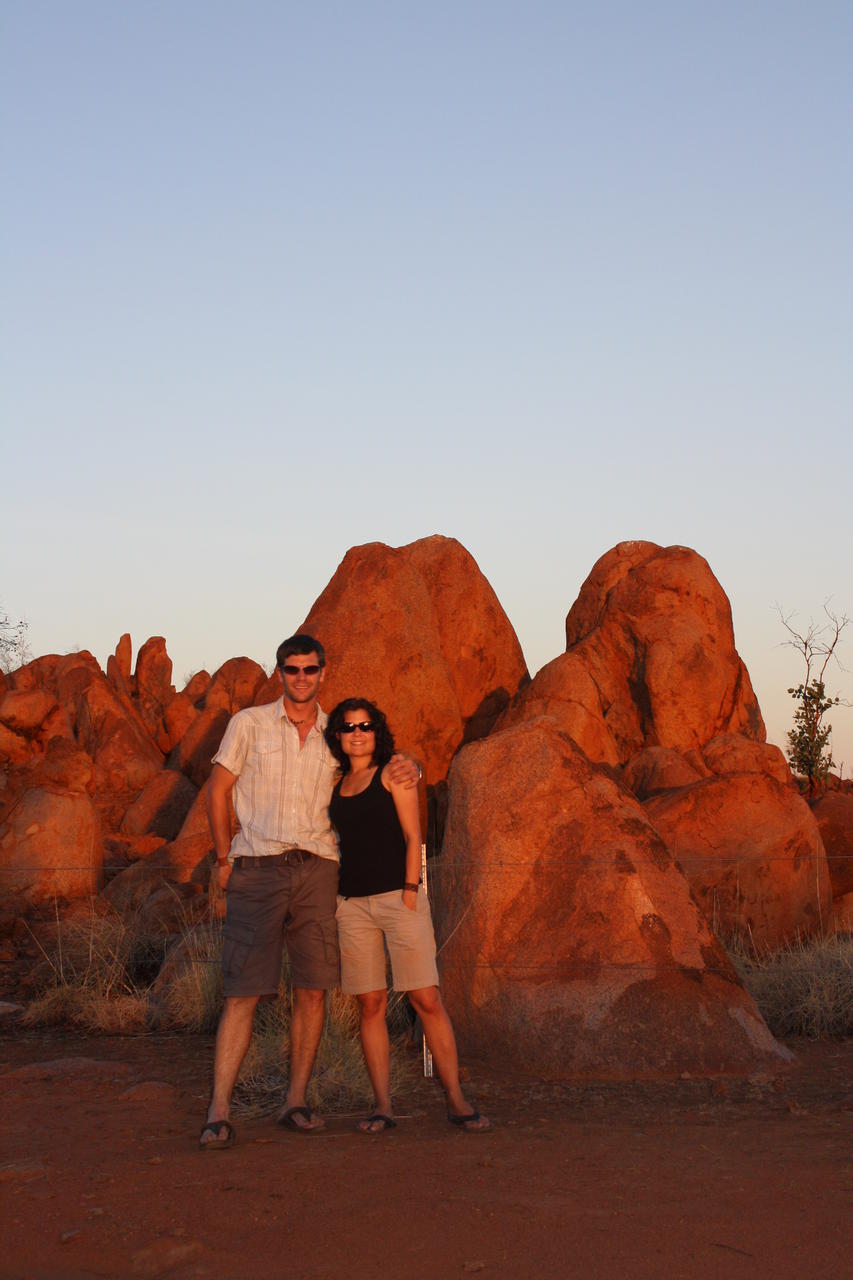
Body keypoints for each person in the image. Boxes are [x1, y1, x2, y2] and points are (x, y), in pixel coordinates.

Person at [199, 635, 420, 1149]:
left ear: (323, 672)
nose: (301, 677)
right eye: (292, 669)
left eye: (310, 669)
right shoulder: (249, 724)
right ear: (279, 672)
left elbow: (378, 762)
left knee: (313, 989)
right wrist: (222, 859)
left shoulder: (335, 734)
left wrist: (411, 765)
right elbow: (218, 790)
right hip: (257, 866)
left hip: (319, 870)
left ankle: (295, 1101)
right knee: (242, 991)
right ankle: (219, 1110)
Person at [326, 697, 490, 1134]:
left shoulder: (393, 774)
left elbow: (414, 834)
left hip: (400, 900)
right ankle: (382, 1107)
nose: (357, 734)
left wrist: (411, 892)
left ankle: (456, 1099)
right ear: (338, 735)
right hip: (352, 906)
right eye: (348, 727)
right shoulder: (335, 784)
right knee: (370, 1004)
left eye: (365, 726)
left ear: (376, 731)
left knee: (426, 998)